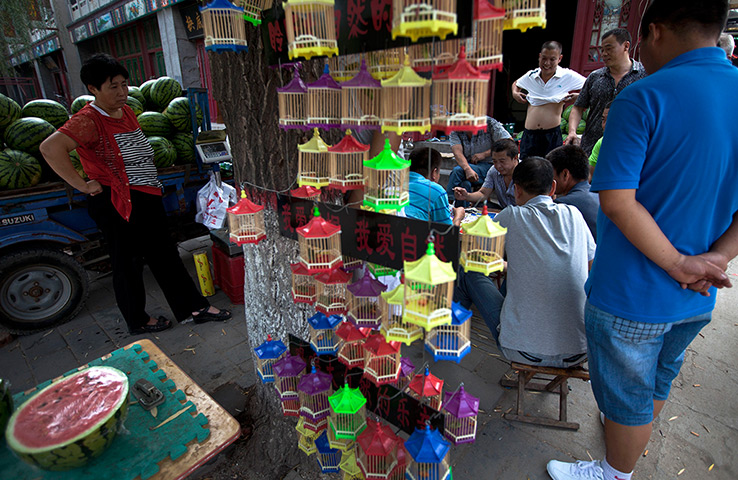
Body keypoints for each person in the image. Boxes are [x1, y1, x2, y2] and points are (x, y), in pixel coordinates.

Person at [546, 2, 738, 480]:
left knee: (628, 394)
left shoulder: (643, 97)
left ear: (653, 32)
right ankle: (625, 442)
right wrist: (715, 258)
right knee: (656, 378)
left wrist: (676, 262)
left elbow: (617, 201)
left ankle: (614, 472)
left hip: (633, 292)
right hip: (698, 292)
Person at [39, 53, 231, 335]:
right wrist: (82, 184)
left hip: (144, 195)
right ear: (93, 89)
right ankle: (138, 321)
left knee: (165, 254)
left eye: (124, 84)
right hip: (116, 201)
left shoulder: (126, 111)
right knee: (127, 263)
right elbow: (49, 148)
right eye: (112, 87)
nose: (121, 92)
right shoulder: (88, 119)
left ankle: (194, 308)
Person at [454, 157, 595, 367]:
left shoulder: (511, 216)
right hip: (580, 351)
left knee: (467, 270)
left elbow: (475, 254)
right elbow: (591, 267)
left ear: (516, 190)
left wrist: (457, 220)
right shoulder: (574, 214)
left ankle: (449, 331)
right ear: (553, 187)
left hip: (523, 350)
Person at [565, 28, 646, 155]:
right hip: (591, 147)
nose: (604, 54)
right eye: (602, 50)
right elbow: (578, 107)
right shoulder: (595, 77)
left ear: (626, 46)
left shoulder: (644, 76)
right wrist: (572, 131)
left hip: (628, 148)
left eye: (609, 48)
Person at [512, 41, 586, 159]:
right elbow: (517, 83)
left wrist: (578, 96)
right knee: (527, 170)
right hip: (529, 134)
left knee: (550, 170)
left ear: (560, 58)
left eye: (552, 59)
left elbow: (589, 85)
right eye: (544, 58)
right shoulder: (532, 75)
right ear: (539, 56)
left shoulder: (567, 75)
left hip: (551, 135)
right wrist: (515, 93)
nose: (547, 63)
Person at [445, 116, 512, 206]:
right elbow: (457, 152)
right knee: (464, 184)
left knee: (458, 171)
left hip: (489, 165)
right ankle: (462, 212)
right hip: (470, 167)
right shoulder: (456, 127)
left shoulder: (489, 123)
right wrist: (467, 169)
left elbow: (509, 143)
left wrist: (484, 154)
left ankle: (447, 204)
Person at [547, 145, 599, 240]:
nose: (549, 180)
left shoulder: (562, 206)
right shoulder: (599, 196)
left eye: (551, 174)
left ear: (565, 174)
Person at [452, 138, 519, 209]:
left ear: (515, 158)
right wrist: (466, 196)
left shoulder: (527, 171)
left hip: (523, 213)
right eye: (495, 161)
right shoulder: (493, 170)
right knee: (480, 206)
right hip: (504, 210)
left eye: (502, 161)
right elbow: (483, 194)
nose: (498, 166)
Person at [406, 147, 464, 226]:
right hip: (416, 236)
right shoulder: (435, 190)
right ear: (434, 172)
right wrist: (458, 216)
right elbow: (448, 233)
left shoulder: (395, 183)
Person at [587, 102, 610, 180]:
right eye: (603, 120)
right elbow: (590, 175)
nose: (604, 125)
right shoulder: (601, 143)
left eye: (611, 119)